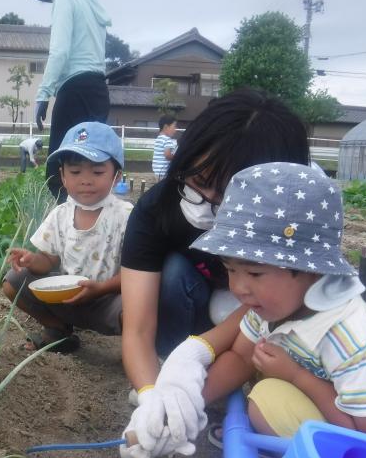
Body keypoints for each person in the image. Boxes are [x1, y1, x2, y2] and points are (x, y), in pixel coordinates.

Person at [121, 162, 366, 458]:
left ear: (310, 270)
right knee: (264, 394)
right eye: (230, 269)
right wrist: (180, 410)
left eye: (254, 274)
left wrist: (297, 376)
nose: (238, 287)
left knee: (267, 398)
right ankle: (281, 442)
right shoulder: (272, 307)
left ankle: (294, 457)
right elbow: (240, 356)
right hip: (333, 423)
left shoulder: (355, 338)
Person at [120, 88, 310, 401]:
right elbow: (137, 327)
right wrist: (152, 396)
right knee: (174, 272)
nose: (208, 202)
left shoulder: (293, 221)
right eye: (199, 182)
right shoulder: (158, 208)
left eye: (228, 196)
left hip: (261, 316)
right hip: (195, 306)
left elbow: (270, 313)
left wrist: (194, 388)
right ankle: (170, 366)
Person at [3, 122, 132, 353]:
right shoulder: (60, 214)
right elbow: (48, 259)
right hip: (65, 299)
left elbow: (133, 274)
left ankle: (134, 350)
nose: (85, 179)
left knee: (139, 306)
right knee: (12, 281)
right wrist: (32, 260)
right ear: (63, 176)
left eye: (98, 171)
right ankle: (58, 329)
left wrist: (101, 289)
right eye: (75, 172)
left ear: (116, 176)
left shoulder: (125, 216)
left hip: (107, 301)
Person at [32, 0, 111, 204]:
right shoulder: (94, 5)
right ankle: (92, 226)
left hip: (75, 89)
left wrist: (43, 94)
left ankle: (68, 228)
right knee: (93, 166)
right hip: (98, 91)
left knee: (59, 170)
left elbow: (59, 51)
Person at [152, 114, 178, 181]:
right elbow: (167, 155)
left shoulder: (158, 138)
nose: (175, 130)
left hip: (156, 171)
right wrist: (176, 157)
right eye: (174, 127)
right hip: (163, 172)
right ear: (166, 127)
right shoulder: (167, 139)